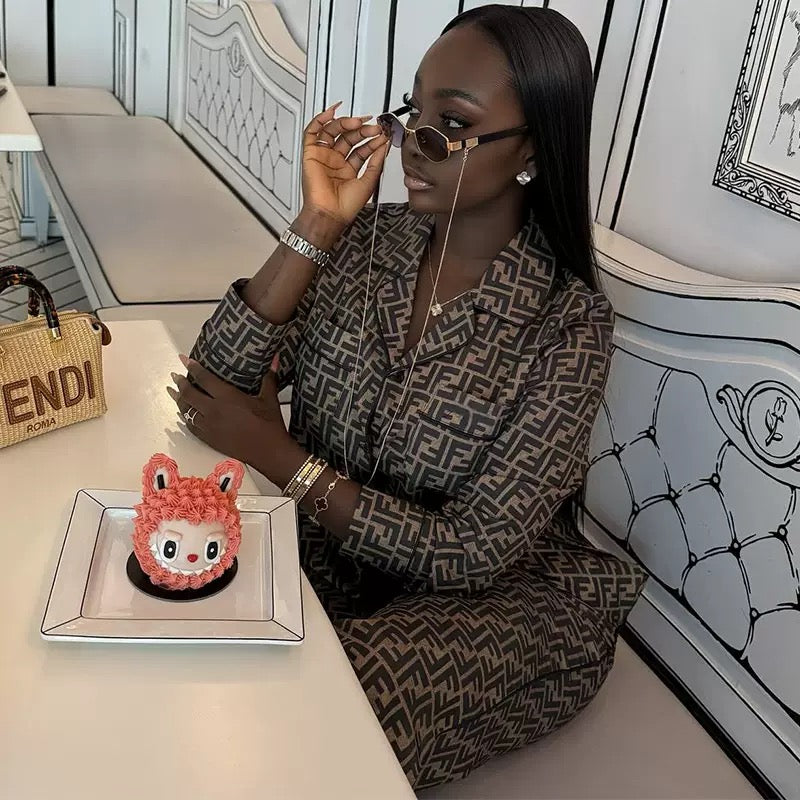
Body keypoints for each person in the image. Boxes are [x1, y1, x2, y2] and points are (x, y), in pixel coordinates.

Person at [168, 4, 647, 790]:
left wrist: (277, 454)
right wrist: (317, 222)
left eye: (449, 125)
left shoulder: (567, 327)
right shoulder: (367, 242)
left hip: (491, 603)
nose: (409, 147)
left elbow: (471, 550)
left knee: (320, 703)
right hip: (333, 555)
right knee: (178, 599)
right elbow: (213, 384)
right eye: (410, 113)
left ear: (531, 149)